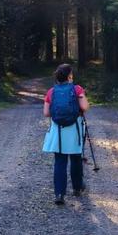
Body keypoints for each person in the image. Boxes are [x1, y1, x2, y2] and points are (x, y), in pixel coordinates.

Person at [42, 63, 90, 205]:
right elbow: (85, 107)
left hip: (59, 131)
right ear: (70, 76)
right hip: (74, 129)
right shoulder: (77, 89)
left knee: (60, 161)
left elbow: (46, 113)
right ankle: (77, 188)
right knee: (76, 158)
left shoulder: (51, 92)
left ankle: (59, 194)